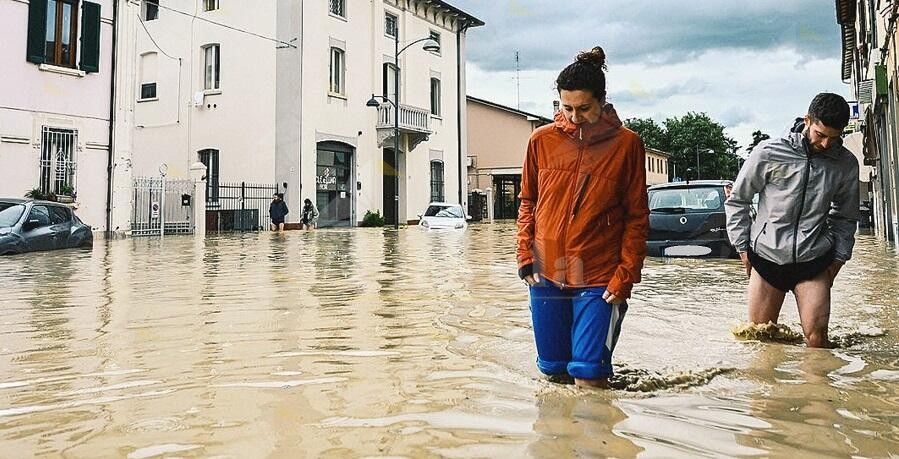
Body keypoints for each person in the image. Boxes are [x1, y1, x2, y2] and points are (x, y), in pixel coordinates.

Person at [517, 46, 650, 388]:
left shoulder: (627, 145)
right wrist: (524, 255)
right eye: (567, 107)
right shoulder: (540, 141)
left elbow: (637, 217)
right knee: (554, 374)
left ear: (603, 101)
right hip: (548, 271)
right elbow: (528, 201)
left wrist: (626, 276)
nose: (575, 116)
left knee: (589, 380)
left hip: (601, 277)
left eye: (584, 108)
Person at [725, 93, 859, 348]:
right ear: (808, 120)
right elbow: (738, 201)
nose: (827, 143)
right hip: (767, 259)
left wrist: (839, 260)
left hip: (814, 261)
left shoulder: (845, 163)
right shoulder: (768, 152)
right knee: (760, 341)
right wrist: (742, 248)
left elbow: (845, 216)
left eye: (835, 137)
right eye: (821, 134)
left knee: (817, 342)